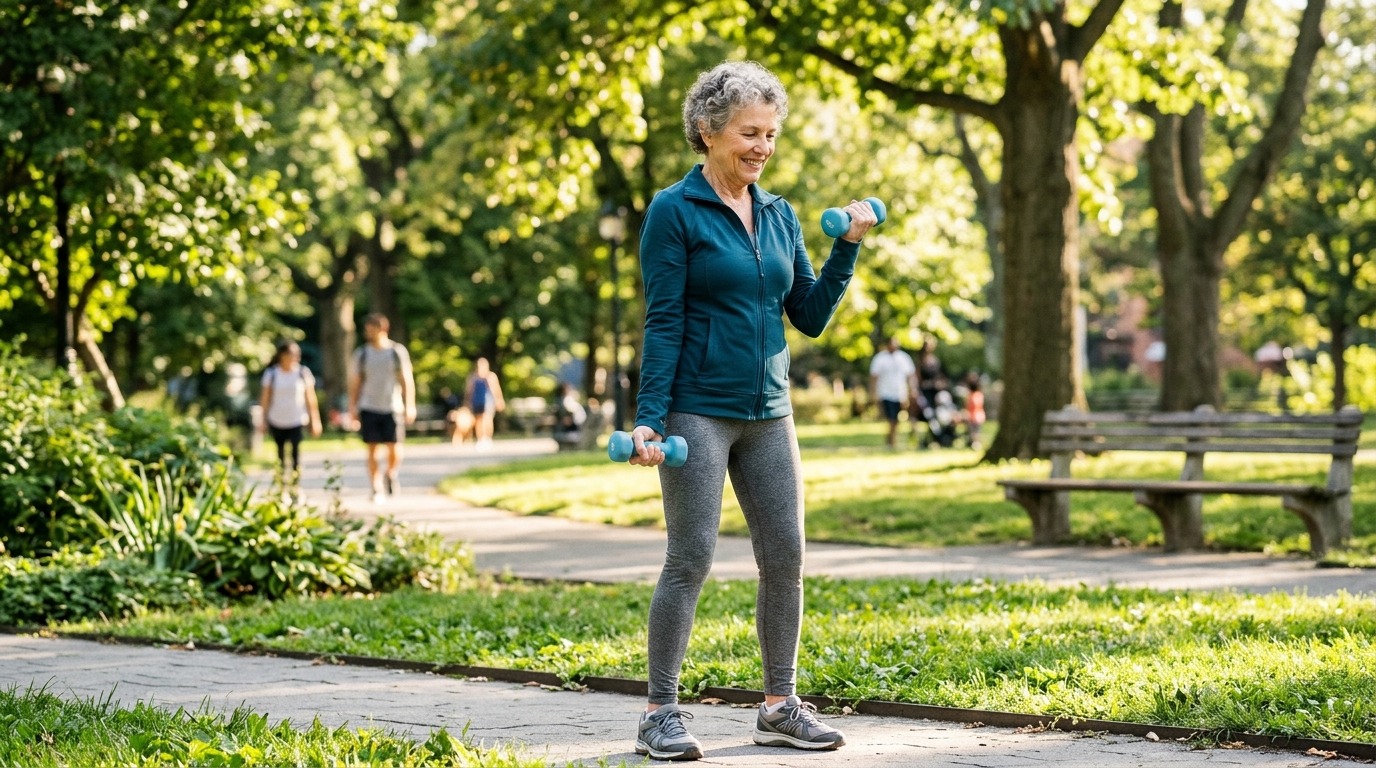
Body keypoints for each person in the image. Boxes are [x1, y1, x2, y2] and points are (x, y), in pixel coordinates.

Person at [626, 60, 875, 761]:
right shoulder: (675, 211)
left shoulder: (778, 212)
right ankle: (659, 714)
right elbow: (664, 319)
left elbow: (810, 315)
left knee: (786, 557)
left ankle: (778, 705)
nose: (762, 146)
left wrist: (844, 250)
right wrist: (651, 416)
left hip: (770, 411)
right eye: (748, 132)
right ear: (707, 130)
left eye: (770, 134)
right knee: (690, 557)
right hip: (696, 412)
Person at [347, 313, 416, 503]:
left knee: (394, 448)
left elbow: (406, 379)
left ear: (382, 329)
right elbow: (356, 383)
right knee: (372, 449)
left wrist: (410, 405)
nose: (368, 333)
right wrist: (352, 408)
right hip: (369, 406)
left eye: (372, 329)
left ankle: (391, 473)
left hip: (392, 406)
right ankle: (375, 486)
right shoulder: (362, 354)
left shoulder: (396, 352)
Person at [257, 340, 323, 497]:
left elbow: (310, 398)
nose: (294, 357)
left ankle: (295, 485)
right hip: (277, 418)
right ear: (282, 355)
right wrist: (262, 419)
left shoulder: (302, 373)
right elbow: (265, 399)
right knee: (280, 453)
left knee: (295, 452)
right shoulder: (272, 374)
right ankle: (281, 485)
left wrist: (315, 420)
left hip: (297, 419)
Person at [869, 336, 917, 450]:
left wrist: (912, 390)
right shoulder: (880, 358)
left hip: (900, 393)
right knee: (891, 419)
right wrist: (873, 393)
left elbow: (910, 375)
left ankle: (892, 440)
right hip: (885, 393)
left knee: (897, 419)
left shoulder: (904, 358)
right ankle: (892, 442)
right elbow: (874, 376)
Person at [464, 357, 505, 448]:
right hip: (477, 401)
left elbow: (496, 389)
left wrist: (499, 400)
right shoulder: (473, 377)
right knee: (478, 420)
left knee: (487, 419)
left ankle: (488, 438)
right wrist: (467, 402)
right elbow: (469, 391)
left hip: (489, 401)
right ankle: (480, 439)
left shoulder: (491, 376)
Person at [963, 371, 987, 449]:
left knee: (975, 431)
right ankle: (973, 443)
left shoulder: (974, 395)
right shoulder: (977, 394)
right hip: (976, 415)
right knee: (974, 431)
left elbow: (973, 405)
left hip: (975, 416)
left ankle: (975, 443)